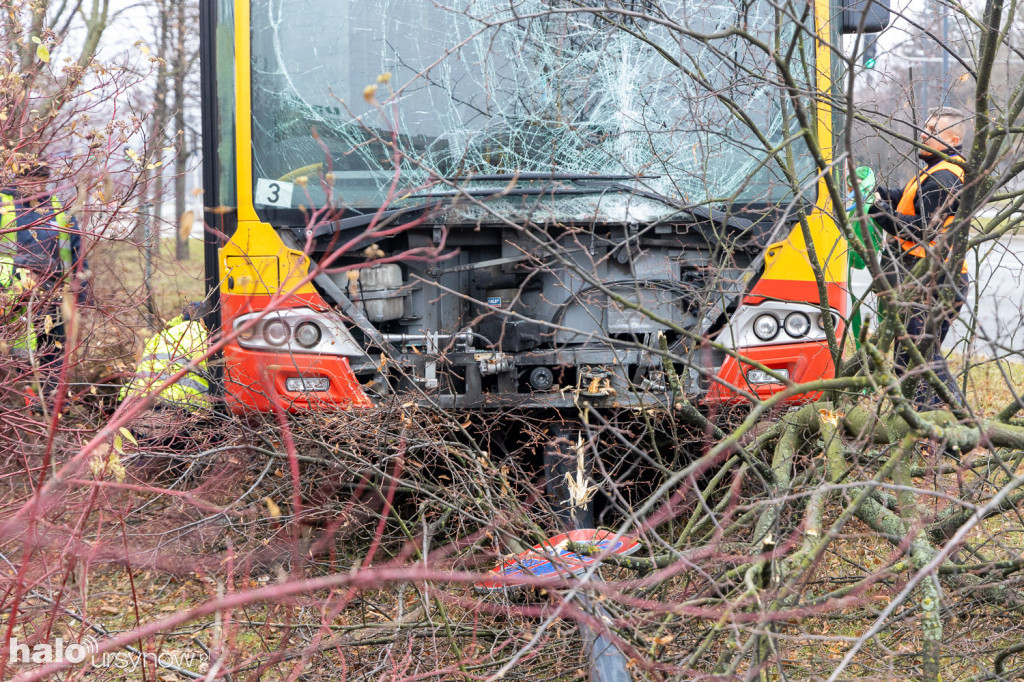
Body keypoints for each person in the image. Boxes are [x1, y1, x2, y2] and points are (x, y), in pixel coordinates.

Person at [870, 107, 970, 408]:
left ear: (952, 139)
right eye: (924, 128)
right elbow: (909, 198)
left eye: (931, 131)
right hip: (925, 277)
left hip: (934, 281)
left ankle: (951, 423)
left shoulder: (945, 178)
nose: (923, 135)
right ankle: (924, 424)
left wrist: (878, 213)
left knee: (920, 358)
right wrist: (876, 192)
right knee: (912, 357)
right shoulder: (938, 170)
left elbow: (922, 230)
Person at [0, 162, 88, 397]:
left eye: (41, 179)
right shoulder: (4, 205)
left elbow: (78, 253)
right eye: (30, 178)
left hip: (53, 292)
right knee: (16, 351)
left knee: (53, 350)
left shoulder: (60, 210)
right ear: (17, 178)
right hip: (9, 295)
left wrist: (81, 292)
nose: (36, 185)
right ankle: (19, 405)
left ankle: (51, 408)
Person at [119, 301, 213, 455]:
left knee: (146, 461)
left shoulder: (160, 336)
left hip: (135, 410)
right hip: (179, 414)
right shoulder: (207, 337)